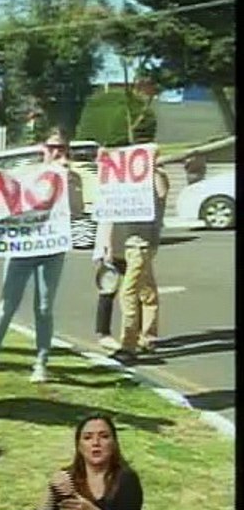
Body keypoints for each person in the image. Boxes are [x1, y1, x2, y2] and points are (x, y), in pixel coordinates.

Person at [0, 128, 83, 383]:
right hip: (22, 248)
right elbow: (5, 197)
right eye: (52, 147)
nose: (57, 152)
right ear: (43, 149)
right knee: (7, 303)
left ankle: (41, 362)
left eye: (62, 148)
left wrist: (69, 183)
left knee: (44, 306)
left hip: (51, 248)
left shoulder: (71, 176)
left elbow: (77, 211)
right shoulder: (28, 172)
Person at [33, 414, 143, 510]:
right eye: (87, 437)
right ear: (79, 445)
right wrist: (52, 490)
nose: (96, 443)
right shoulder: (69, 478)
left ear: (114, 443)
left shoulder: (127, 479)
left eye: (104, 437)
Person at [93, 156, 169, 365]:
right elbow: (108, 208)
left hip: (141, 244)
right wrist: (106, 244)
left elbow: (162, 192)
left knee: (128, 293)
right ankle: (148, 337)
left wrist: (154, 168)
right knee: (147, 290)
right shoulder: (123, 181)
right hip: (125, 244)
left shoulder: (155, 178)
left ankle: (128, 345)